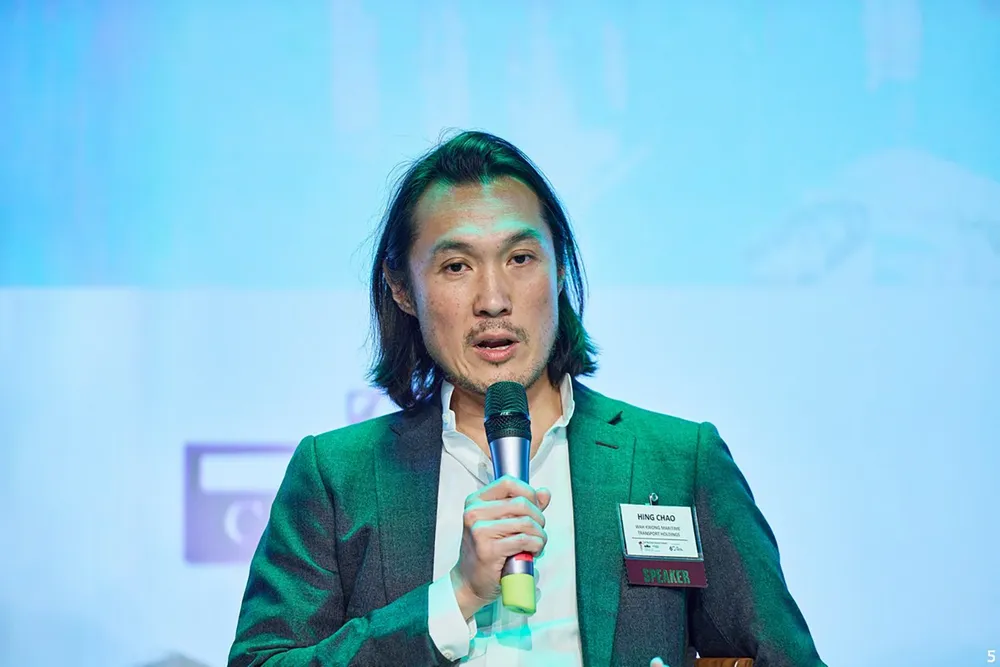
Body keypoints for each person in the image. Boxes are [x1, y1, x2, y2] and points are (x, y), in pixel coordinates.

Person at [228, 131, 826, 667]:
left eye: (520, 259)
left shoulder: (677, 460)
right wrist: (455, 596)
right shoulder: (337, 475)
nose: (493, 299)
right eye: (457, 266)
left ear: (559, 267)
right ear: (402, 289)